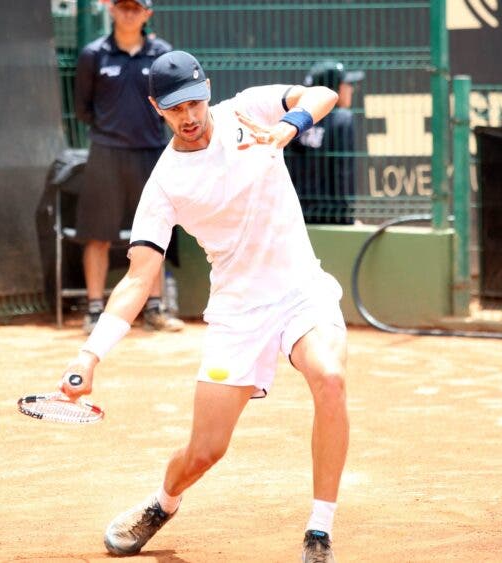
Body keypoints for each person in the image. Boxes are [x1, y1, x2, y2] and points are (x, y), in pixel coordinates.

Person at [61, 51, 349, 562]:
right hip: (237, 315)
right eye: (175, 108)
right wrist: (90, 355)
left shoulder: (249, 110)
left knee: (329, 377)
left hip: (301, 290)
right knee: (205, 452)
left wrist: (288, 125)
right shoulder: (165, 184)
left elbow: (321, 95)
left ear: (209, 90)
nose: (189, 116)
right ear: (156, 108)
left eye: (195, 102)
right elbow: (138, 278)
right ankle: (162, 503)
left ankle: (319, 532)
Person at [74, 0, 183, 333]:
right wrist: (111, 131)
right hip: (105, 154)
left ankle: (153, 309)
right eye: (123, 6)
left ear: (147, 14)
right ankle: (94, 309)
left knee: (154, 233)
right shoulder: (93, 54)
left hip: (152, 154)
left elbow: (175, 104)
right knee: (97, 234)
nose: (129, 13)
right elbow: (83, 107)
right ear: (112, 10)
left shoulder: (162, 55)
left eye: (136, 8)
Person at [285, 60, 365, 225]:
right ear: (333, 88)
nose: (351, 89)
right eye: (347, 84)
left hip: (294, 215)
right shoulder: (342, 119)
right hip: (332, 216)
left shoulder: (293, 118)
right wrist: (347, 216)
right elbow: (344, 173)